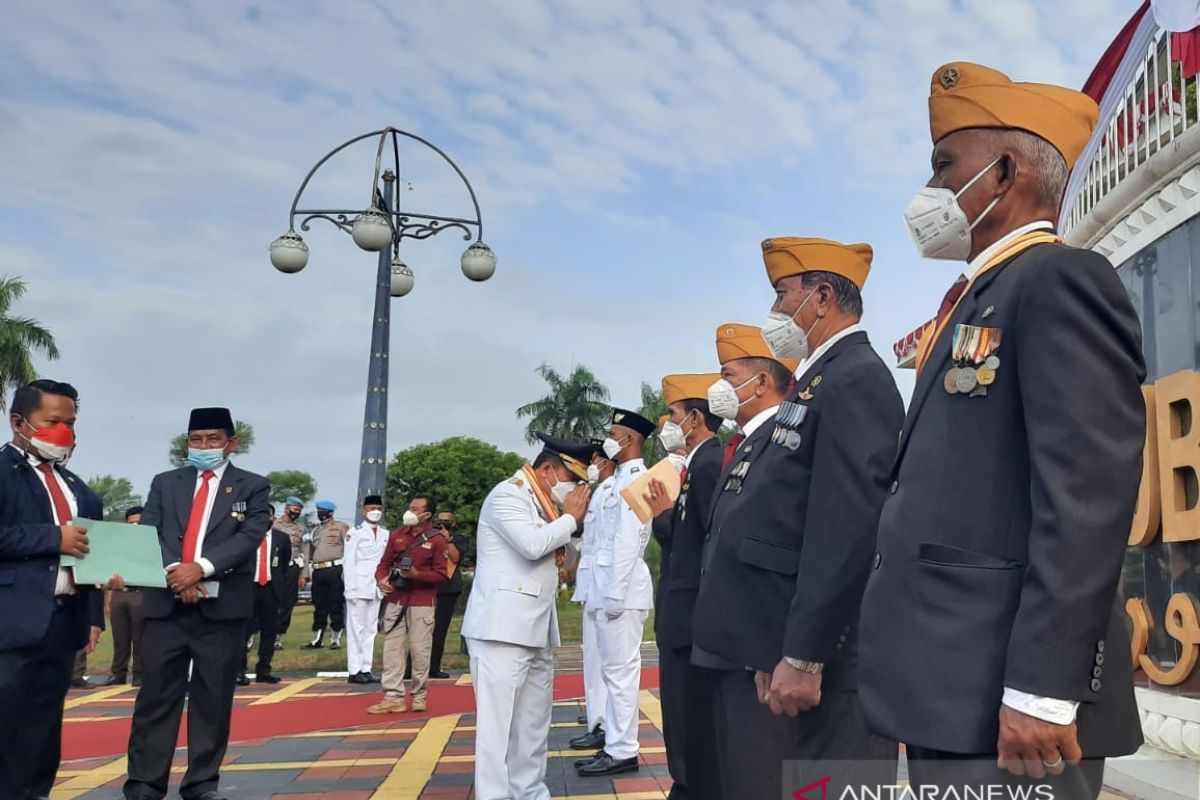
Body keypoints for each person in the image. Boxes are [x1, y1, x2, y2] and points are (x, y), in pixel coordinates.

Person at [858, 62, 1146, 800]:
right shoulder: (975, 300)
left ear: (1003, 172)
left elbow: (1085, 496)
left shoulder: (1057, 280)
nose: (929, 195)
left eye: (943, 167)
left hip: (1011, 702)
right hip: (953, 690)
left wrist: (1044, 689)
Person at [123, 407, 271, 800]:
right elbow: (151, 530)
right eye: (196, 440)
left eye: (213, 440)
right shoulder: (165, 482)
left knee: (213, 698)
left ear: (231, 443)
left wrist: (201, 569)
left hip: (221, 612)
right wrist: (177, 571)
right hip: (166, 607)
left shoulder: (253, 486)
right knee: (155, 697)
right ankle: (143, 784)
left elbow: (249, 537)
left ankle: (202, 784)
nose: (203, 447)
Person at [0, 379, 118, 800]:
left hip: (62, 622)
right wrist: (52, 538)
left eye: (70, 423)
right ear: (19, 422)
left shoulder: (78, 489)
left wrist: (93, 615)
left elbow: (90, 554)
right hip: (10, 623)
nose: (64, 433)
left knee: (42, 731)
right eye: (52, 422)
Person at [461, 434, 591, 800]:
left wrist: (573, 525)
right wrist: (570, 519)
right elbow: (533, 545)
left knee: (533, 728)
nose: (575, 489)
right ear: (547, 470)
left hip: (535, 629)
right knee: (497, 731)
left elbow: (566, 560)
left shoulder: (546, 504)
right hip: (501, 630)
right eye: (572, 479)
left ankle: (531, 793)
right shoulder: (509, 494)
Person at [641, 373, 724, 800]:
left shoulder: (710, 463)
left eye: (672, 414)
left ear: (694, 418)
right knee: (679, 715)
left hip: (692, 617)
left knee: (691, 718)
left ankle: (692, 787)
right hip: (679, 614)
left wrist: (664, 516)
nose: (665, 422)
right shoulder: (696, 463)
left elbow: (709, 540)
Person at [577, 408, 656, 778]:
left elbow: (629, 542)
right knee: (611, 673)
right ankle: (612, 743)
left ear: (630, 439)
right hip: (608, 589)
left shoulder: (638, 479)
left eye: (614, 433)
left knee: (621, 674)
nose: (610, 439)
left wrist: (614, 594)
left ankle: (623, 751)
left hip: (621, 593)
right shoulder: (619, 479)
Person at [368, 497, 448, 713]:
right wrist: (382, 580)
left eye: (415, 509)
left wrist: (417, 574)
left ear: (427, 514)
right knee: (392, 648)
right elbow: (383, 564)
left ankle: (419, 695)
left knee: (420, 649)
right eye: (410, 507)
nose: (409, 512)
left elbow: (441, 574)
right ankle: (393, 696)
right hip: (396, 598)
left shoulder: (438, 540)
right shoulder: (397, 535)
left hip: (422, 601)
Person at [567, 441, 615, 752]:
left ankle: (608, 727)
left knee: (609, 665)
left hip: (608, 588)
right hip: (592, 587)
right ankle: (597, 723)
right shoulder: (599, 493)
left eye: (597, 458)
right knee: (593, 662)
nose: (592, 464)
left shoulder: (618, 491)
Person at [237, 503, 290, 686]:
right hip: (248, 588)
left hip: (270, 588)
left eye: (267, 516)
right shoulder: (245, 537)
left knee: (269, 631)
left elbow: (283, 565)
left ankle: (264, 670)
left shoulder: (282, 539)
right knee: (244, 631)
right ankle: (239, 671)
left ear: (273, 518)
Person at [344, 494, 389, 684]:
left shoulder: (386, 533)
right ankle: (354, 670)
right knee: (356, 628)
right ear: (364, 511)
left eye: (378, 508)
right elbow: (349, 562)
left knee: (371, 629)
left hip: (376, 586)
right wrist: (350, 588)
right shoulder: (354, 532)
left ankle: (366, 667)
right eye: (371, 508)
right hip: (358, 585)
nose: (374, 512)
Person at [104, 505, 147, 687]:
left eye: (139, 523)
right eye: (131, 523)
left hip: (141, 592)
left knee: (140, 636)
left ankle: (139, 673)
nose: (134, 527)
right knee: (120, 638)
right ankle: (118, 672)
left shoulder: (151, 544)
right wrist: (108, 599)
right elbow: (110, 571)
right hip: (120, 594)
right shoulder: (118, 545)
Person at [303, 499, 348, 650]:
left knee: (336, 604)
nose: (320, 513)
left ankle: (336, 639)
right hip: (318, 570)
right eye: (318, 511)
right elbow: (311, 552)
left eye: (322, 511)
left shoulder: (341, 527)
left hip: (335, 569)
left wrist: (346, 572)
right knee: (319, 605)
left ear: (331, 512)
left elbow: (349, 549)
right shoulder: (316, 530)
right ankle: (317, 639)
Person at [429, 509, 466, 679]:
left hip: (448, 588)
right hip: (429, 586)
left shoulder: (458, 539)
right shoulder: (429, 537)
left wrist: (448, 539)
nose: (443, 523)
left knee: (440, 630)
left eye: (447, 521)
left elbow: (456, 558)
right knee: (421, 630)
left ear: (453, 523)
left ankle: (434, 666)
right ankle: (412, 666)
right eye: (440, 520)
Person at [273, 497, 307, 650]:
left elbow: (305, 551)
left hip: (292, 568)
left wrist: (303, 574)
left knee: (287, 603)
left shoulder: (302, 529)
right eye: (295, 509)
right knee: (269, 601)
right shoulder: (274, 524)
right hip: (274, 568)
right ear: (287, 508)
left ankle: (278, 636)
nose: (296, 513)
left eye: (299, 511)